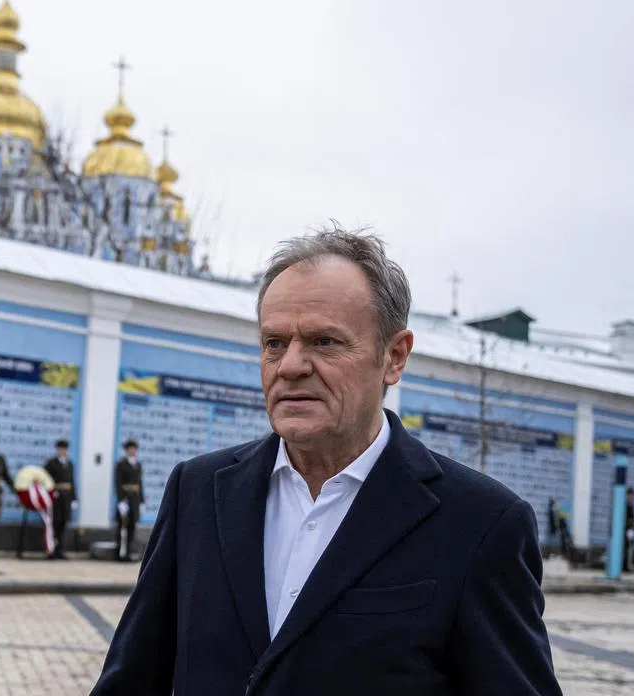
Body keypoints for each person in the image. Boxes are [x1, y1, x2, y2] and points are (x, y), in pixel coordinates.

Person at [90, 225, 561, 695]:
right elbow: (132, 679)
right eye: (274, 343)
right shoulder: (198, 490)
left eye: (324, 342)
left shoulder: (481, 523)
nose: (291, 366)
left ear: (394, 357)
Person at [43, 439, 78, 559]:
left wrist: (74, 498)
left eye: (65, 449)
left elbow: (72, 482)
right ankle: (51, 550)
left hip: (66, 498)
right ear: (57, 450)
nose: (63, 451)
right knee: (54, 524)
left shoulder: (69, 464)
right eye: (61, 449)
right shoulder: (51, 463)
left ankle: (60, 550)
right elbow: (45, 480)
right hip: (55, 498)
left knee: (63, 524)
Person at [114, 439, 143, 562]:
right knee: (122, 527)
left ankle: (129, 552)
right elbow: (118, 483)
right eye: (130, 449)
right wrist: (121, 500)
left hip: (135, 499)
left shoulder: (138, 464)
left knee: (132, 527)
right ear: (126, 450)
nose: (132, 451)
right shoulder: (121, 464)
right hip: (125, 498)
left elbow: (140, 484)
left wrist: (141, 501)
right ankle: (121, 553)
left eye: (134, 449)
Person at [625, 486, 634, 573]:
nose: (631, 498)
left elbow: (633, 518)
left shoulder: (631, 505)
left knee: (630, 548)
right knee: (626, 549)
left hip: (630, 530)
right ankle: (625, 566)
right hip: (626, 530)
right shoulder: (625, 505)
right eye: (630, 496)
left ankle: (628, 565)